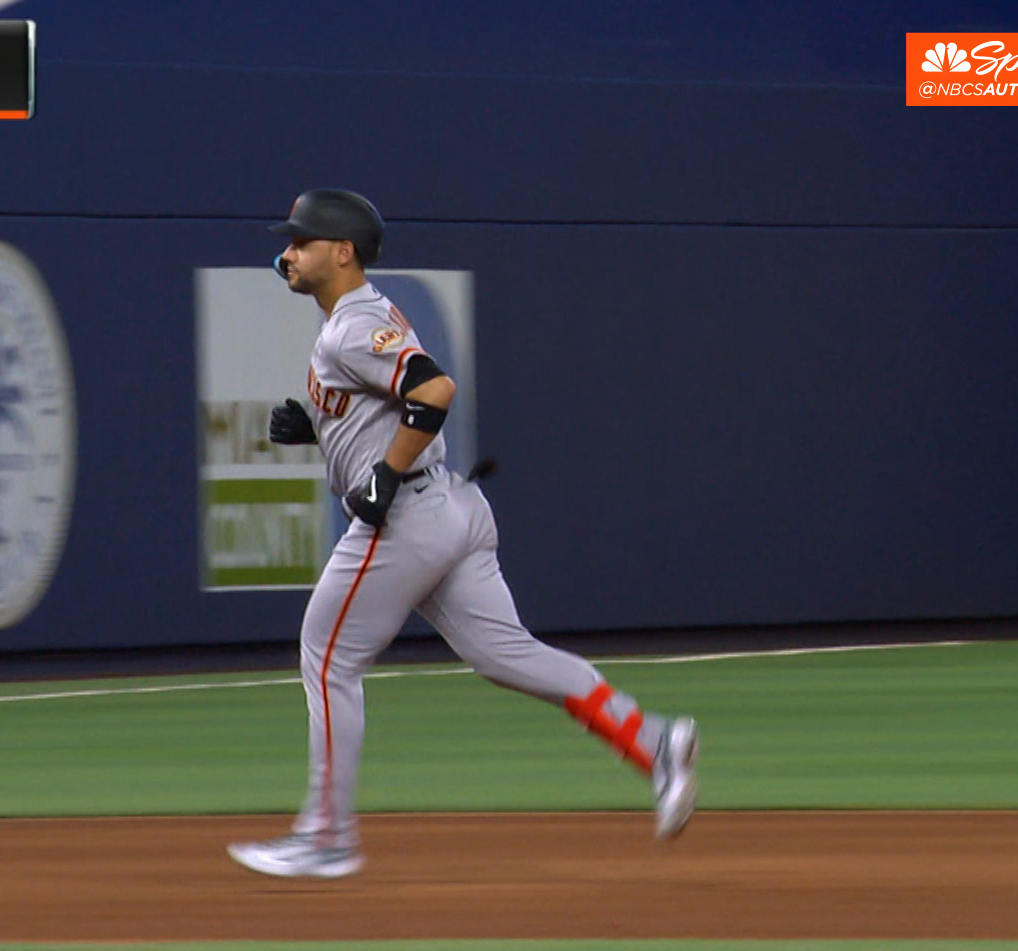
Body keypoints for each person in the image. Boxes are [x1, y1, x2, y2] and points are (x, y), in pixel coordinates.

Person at [226, 189, 698, 880]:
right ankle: (652, 742)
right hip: (451, 508)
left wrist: (383, 474)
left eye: (302, 241)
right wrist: (324, 431)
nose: (289, 252)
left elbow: (434, 390)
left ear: (342, 251)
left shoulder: (351, 326)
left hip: (408, 518)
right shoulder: (362, 316)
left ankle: (327, 835)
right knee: (507, 655)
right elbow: (389, 399)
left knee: (327, 656)